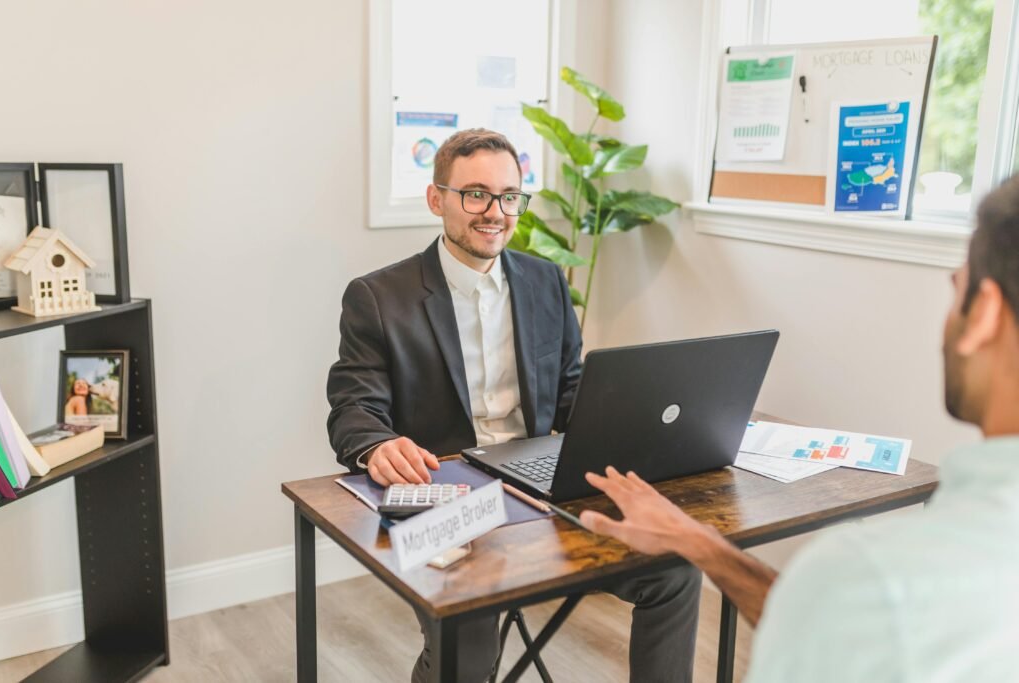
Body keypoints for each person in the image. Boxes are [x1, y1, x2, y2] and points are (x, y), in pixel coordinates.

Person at [578, 175, 1019, 681]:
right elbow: (830, 629)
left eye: (956, 290)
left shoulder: (867, 578)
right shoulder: (873, 596)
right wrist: (700, 543)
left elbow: (835, 616)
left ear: (984, 314)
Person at [327, 128, 702, 682]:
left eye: (508, 196)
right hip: (447, 495)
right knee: (470, 632)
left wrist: (632, 424)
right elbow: (353, 407)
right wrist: (378, 444)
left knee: (674, 572)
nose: (495, 212)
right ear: (437, 200)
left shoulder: (546, 281)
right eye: (475, 194)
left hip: (542, 488)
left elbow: (572, 393)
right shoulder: (379, 297)